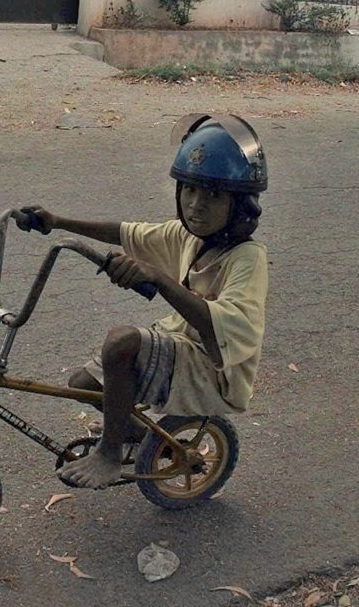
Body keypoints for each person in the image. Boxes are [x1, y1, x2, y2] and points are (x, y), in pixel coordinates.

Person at [21, 113, 269, 490]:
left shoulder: (246, 259)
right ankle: (143, 437)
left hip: (215, 368)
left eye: (213, 195)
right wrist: (57, 222)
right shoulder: (188, 236)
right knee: (83, 383)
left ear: (242, 206)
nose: (196, 205)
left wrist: (159, 279)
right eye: (189, 190)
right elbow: (127, 233)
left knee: (122, 343)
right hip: (183, 346)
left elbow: (231, 328)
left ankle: (109, 452)